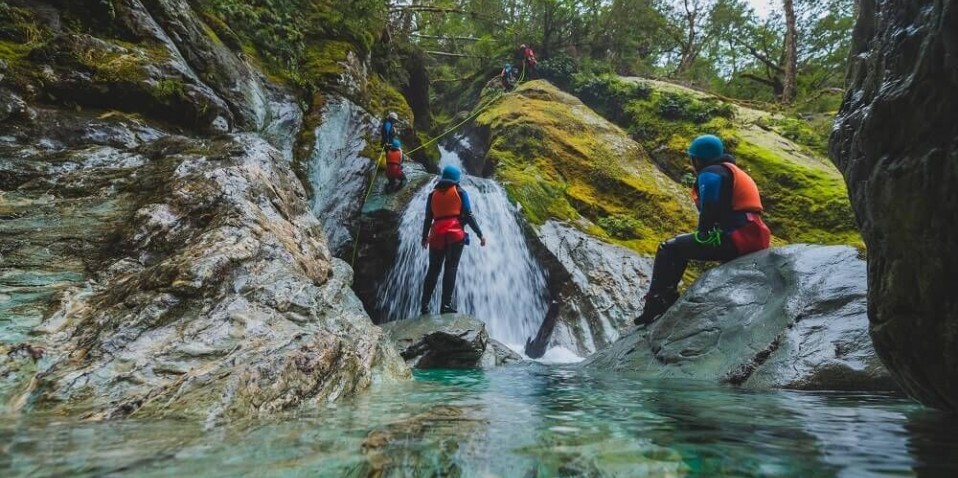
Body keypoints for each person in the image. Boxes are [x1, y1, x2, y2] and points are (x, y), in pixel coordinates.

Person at [634, 134, 771, 326]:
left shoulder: (711, 172)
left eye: (692, 158)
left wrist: (703, 231)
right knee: (681, 249)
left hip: (738, 236)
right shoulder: (730, 170)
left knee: (669, 248)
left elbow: (710, 205)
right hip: (753, 234)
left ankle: (657, 301)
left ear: (697, 159)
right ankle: (665, 297)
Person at [420, 165, 486, 315]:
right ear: (457, 178)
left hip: (436, 234)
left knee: (433, 269)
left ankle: (424, 305)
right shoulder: (461, 192)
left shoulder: (432, 194)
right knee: (451, 268)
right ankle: (445, 306)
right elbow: (469, 215)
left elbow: (428, 218)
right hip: (455, 234)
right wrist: (479, 234)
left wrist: (424, 237)